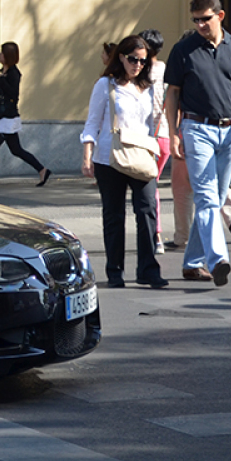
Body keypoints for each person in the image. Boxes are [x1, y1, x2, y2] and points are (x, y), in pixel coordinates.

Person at [164, 0, 231, 287]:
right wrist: (174, 132)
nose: (199, 25)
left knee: (217, 198)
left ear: (219, 16)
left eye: (205, 19)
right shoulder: (183, 49)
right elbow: (172, 93)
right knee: (207, 198)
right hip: (197, 129)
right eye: (195, 20)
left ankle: (193, 263)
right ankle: (218, 259)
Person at [80, 35, 167, 288]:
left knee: (147, 210)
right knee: (114, 216)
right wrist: (87, 156)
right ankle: (115, 271)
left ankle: (148, 270)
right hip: (110, 157)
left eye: (142, 61)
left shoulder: (148, 87)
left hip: (141, 156)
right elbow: (92, 123)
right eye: (132, 59)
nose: (137, 65)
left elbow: (154, 121)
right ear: (121, 57)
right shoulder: (106, 85)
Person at [0, 41, 51, 189]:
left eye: (2, 53)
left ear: (8, 56)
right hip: (7, 118)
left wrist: (2, 79)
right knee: (17, 150)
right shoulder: (5, 71)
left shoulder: (14, 73)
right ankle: (42, 170)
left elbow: (13, 94)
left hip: (8, 118)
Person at [138, 29, 172, 252]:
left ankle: (155, 235)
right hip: (165, 135)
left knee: (149, 191)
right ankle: (156, 236)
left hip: (145, 136)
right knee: (154, 187)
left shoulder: (141, 72)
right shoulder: (167, 70)